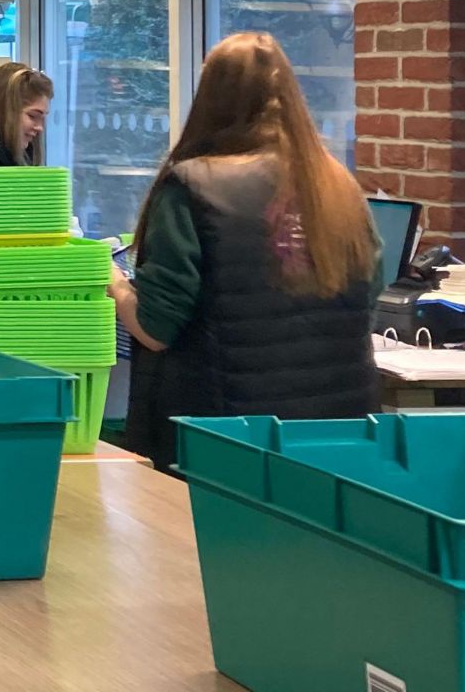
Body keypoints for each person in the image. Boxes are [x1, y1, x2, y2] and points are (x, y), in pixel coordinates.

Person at [107, 31, 381, 469]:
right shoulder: (341, 186)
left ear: (210, 98)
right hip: (339, 443)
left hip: (224, 441)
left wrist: (115, 284)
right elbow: (364, 304)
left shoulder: (192, 185)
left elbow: (155, 329)